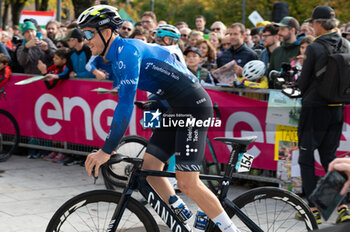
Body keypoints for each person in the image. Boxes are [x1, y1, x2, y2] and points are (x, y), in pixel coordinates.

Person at [77, 5, 240, 232]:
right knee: (151, 171)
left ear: (105, 32)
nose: (85, 40)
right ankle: (185, 220)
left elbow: (124, 106)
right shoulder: (116, 57)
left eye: (88, 33)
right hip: (176, 107)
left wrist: (107, 149)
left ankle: (232, 230)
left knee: (187, 182)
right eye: (82, 34)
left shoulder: (127, 51)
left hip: (194, 107)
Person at [297, 5, 350, 225]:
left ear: (318, 24)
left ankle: (313, 208)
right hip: (337, 107)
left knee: (307, 159)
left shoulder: (315, 47)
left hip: (315, 108)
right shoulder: (347, 43)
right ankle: (343, 207)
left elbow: (303, 83)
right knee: (331, 159)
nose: (312, 26)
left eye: (313, 23)